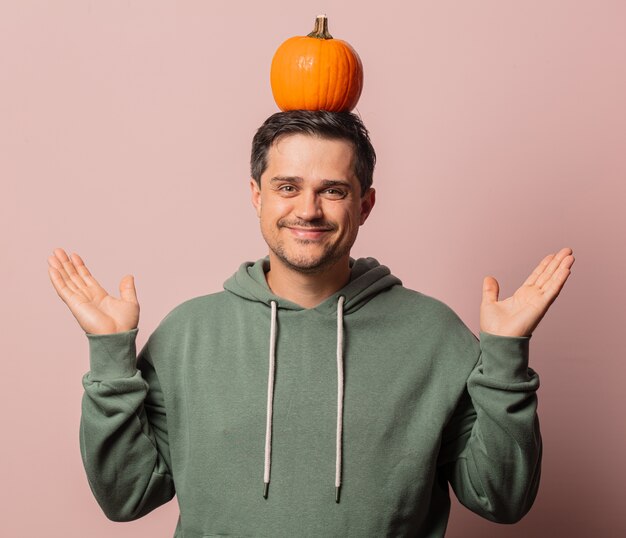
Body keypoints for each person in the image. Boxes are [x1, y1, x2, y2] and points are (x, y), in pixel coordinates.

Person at [48, 110, 575, 537]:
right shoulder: (188, 334)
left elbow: (501, 501)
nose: (309, 209)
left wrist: (505, 353)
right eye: (287, 187)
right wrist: (110, 355)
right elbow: (126, 498)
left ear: (365, 204)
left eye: (334, 190)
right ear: (257, 196)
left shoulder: (434, 333)